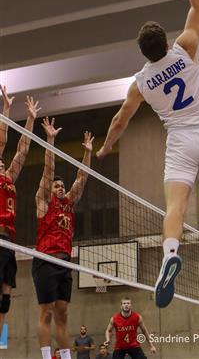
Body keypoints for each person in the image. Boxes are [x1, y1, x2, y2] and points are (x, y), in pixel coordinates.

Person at [96, 0, 199, 309]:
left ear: (143, 52)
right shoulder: (186, 47)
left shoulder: (141, 82)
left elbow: (120, 119)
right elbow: (198, 4)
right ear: (166, 41)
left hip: (180, 141)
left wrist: (107, 146)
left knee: (174, 208)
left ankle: (170, 255)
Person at [32, 117, 93, 359]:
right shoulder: (44, 202)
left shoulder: (68, 204)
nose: (59, 187)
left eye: (61, 186)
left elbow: (82, 178)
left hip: (64, 262)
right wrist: (50, 140)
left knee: (63, 314)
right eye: (56, 186)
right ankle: (47, 357)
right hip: (45, 260)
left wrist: (87, 153)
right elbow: (48, 171)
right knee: (46, 313)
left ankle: (66, 356)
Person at [0, 87, 40, 336]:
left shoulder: (9, 180)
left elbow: (22, 151)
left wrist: (31, 119)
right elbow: (2, 141)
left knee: (5, 296)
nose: (2, 163)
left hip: (9, 241)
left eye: (3, 163)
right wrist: (5, 110)